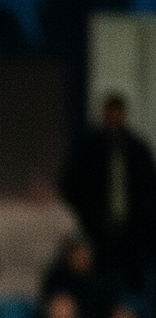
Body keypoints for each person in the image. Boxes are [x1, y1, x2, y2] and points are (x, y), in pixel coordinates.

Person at [59, 94, 156, 299]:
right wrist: (87, 214)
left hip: (132, 229)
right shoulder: (88, 147)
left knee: (132, 279)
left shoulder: (137, 149)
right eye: (110, 112)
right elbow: (70, 184)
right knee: (98, 276)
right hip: (95, 226)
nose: (114, 117)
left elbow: (148, 188)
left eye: (118, 113)